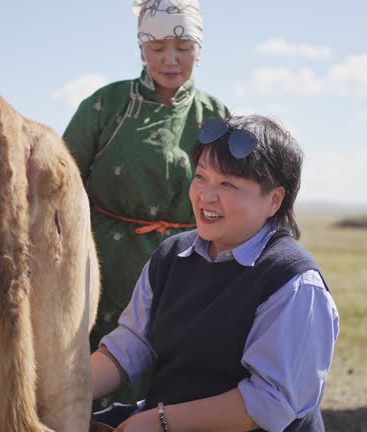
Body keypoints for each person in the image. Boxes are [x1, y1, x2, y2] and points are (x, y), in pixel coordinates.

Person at [90, 115, 340, 432]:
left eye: (228, 184)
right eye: (201, 177)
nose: (206, 196)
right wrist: (54, 393)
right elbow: (131, 347)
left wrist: (158, 421)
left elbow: (268, 404)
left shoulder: (292, 282)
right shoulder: (170, 257)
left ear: (274, 199)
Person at [63, 0, 229, 407]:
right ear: (141, 49)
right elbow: (60, 182)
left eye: (183, 47)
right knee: (103, 367)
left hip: (188, 267)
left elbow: (232, 195)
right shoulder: (106, 105)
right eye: (157, 48)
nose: (170, 59)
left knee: (179, 372)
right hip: (105, 267)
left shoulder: (216, 116)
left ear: (199, 50)